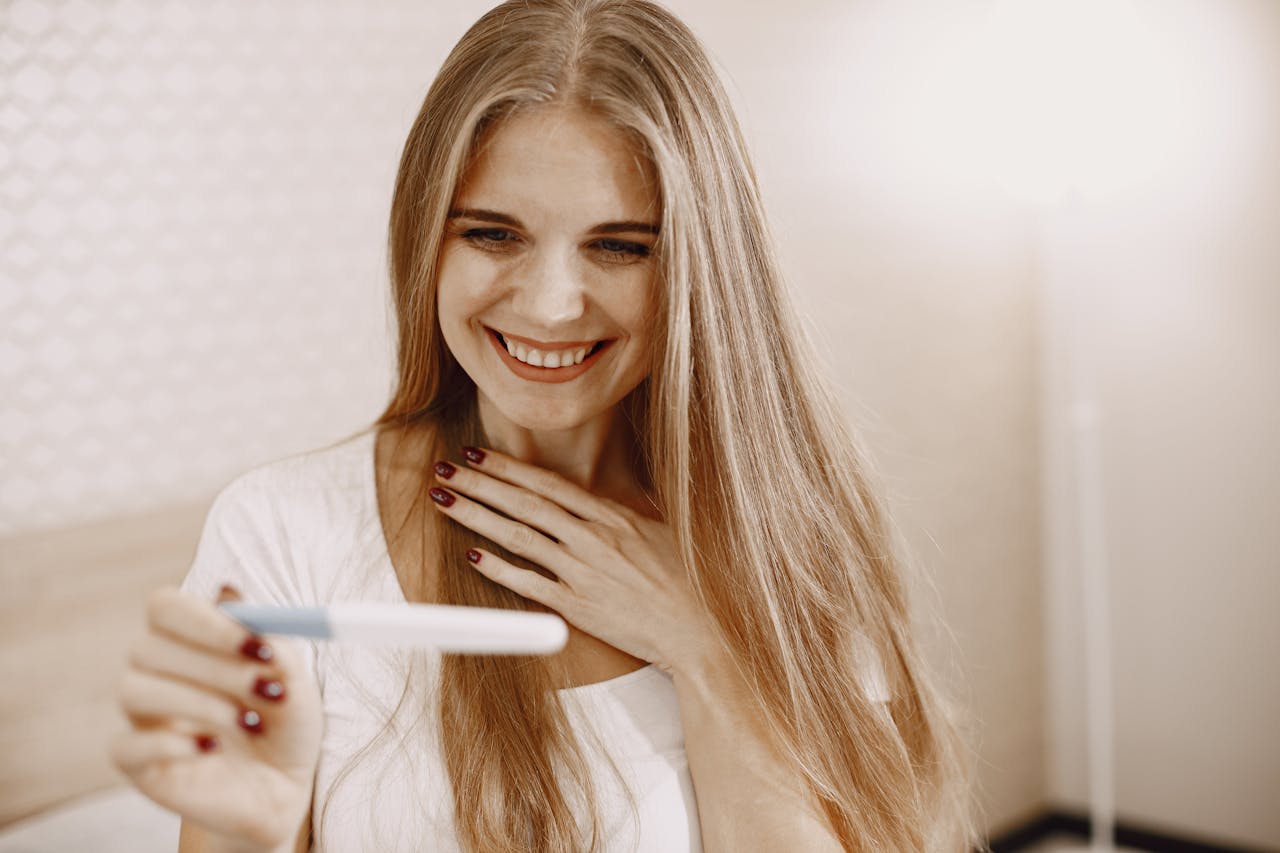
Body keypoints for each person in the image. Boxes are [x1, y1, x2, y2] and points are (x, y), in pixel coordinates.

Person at [111, 1, 980, 850]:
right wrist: (247, 832)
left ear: (700, 264)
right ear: (427, 243)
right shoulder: (286, 532)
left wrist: (707, 655)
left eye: (619, 246)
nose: (551, 305)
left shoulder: (786, 535)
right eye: (494, 234)